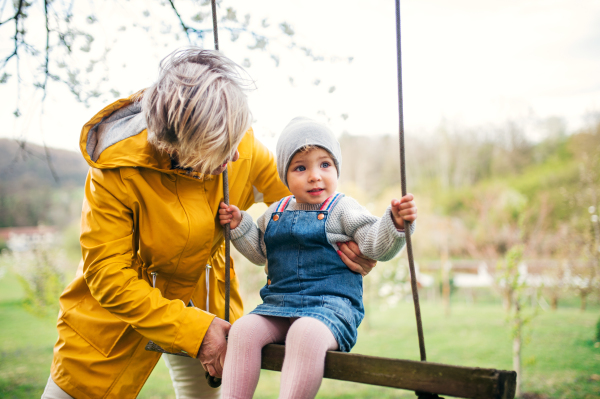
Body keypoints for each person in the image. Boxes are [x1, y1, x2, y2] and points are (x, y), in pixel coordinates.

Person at [41, 49, 376, 399]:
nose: (235, 155)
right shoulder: (115, 170)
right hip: (118, 313)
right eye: (221, 148)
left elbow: (309, 205)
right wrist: (193, 331)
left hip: (208, 300)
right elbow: (108, 274)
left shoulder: (234, 137)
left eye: (237, 140)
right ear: (178, 145)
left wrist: (345, 240)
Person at [218, 117, 418, 399]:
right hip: (280, 304)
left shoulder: (343, 209)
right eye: (301, 167)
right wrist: (240, 226)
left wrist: (395, 223)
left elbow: (375, 246)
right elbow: (260, 251)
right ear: (284, 176)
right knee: (243, 330)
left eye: (324, 164)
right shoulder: (276, 211)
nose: (315, 175)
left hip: (331, 309)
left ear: (336, 168)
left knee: (305, 333)